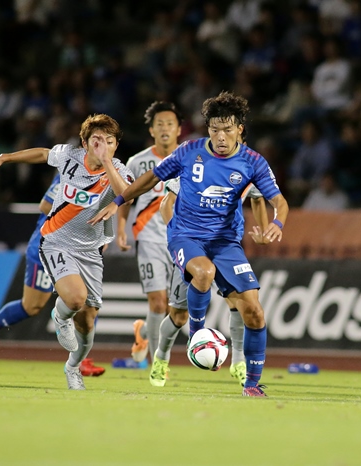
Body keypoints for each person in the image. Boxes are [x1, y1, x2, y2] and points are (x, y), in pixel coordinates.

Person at [89, 91, 289, 397]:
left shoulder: (253, 162)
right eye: (214, 129)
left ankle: (251, 384)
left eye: (227, 129)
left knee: (254, 312)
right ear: (207, 128)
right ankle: (197, 337)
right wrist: (118, 202)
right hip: (186, 237)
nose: (220, 136)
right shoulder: (189, 151)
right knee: (201, 277)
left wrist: (276, 224)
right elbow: (150, 180)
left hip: (226, 243)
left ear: (239, 129)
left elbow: (277, 202)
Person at [0, 113, 134, 390]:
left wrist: (107, 168)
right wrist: (4, 157)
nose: (103, 146)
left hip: (88, 250)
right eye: (97, 140)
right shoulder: (69, 160)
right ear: (85, 143)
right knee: (45, 304)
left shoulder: (118, 170)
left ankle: (76, 363)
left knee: (88, 317)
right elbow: (43, 171)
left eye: (109, 141)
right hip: (54, 241)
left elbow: (127, 195)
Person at [149, 131, 271, 388]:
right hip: (191, 244)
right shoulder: (198, 167)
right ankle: (161, 357)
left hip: (225, 245)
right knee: (178, 315)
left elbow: (258, 200)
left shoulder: (247, 167)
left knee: (240, 303)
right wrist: (178, 236)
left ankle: (239, 362)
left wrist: (263, 229)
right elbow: (166, 204)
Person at [0, 174, 105, 377]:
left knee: (88, 300)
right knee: (32, 306)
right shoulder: (71, 169)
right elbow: (46, 205)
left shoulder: (107, 175)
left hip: (78, 251)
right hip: (47, 247)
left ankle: (81, 360)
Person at [116, 101, 184, 366]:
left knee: (175, 310)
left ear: (179, 129)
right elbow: (127, 197)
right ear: (152, 130)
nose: (165, 128)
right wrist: (121, 229)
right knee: (158, 303)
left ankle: (143, 332)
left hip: (182, 239)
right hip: (149, 238)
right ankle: (159, 365)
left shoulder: (192, 159)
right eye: (160, 124)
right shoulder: (137, 162)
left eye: (170, 124)